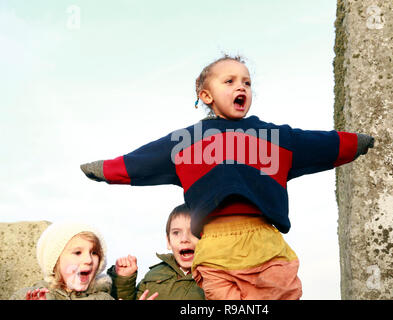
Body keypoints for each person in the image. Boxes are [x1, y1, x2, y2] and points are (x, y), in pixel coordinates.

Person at [80, 55, 375, 300]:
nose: (242, 87)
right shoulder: (187, 141)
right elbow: (143, 160)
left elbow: (315, 144)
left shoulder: (273, 137)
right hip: (216, 247)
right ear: (206, 95)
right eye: (230, 81)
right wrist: (106, 169)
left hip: (264, 242)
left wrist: (352, 143)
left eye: (247, 82)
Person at [107, 203, 205, 300]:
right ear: (168, 241)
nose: (184, 239)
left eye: (193, 231)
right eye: (176, 233)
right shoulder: (154, 275)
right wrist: (124, 281)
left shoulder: (215, 277)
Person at [10, 221, 114, 300]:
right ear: (55, 261)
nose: (88, 260)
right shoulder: (24, 296)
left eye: (94, 253)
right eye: (78, 253)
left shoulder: (104, 297)